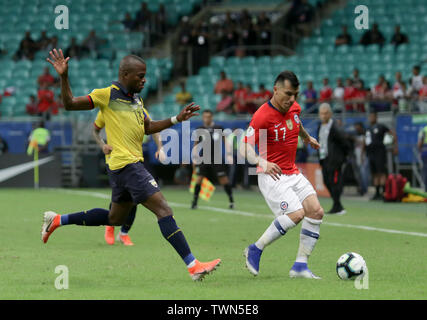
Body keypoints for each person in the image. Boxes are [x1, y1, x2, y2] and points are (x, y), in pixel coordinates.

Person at [43, 48, 221, 281]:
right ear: (125, 74)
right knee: (164, 210)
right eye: (140, 76)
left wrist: (177, 118)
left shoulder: (136, 99)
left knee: (115, 218)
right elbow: (69, 104)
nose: (144, 80)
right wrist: (64, 76)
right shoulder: (107, 94)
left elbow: (148, 127)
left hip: (123, 167)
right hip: (127, 165)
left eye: (145, 75)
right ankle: (193, 266)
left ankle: (57, 219)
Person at [241, 70, 324, 279]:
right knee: (296, 214)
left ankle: (300, 266)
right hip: (271, 175)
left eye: (295, 94)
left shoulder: (294, 107)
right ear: (275, 90)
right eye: (288, 94)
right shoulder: (262, 115)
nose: (292, 99)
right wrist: (262, 161)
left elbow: (297, 122)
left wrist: (306, 137)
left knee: (315, 211)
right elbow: (244, 147)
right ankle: (256, 248)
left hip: (292, 171)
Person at [93, 110, 165, 246]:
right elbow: (95, 131)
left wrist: (160, 147)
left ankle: (123, 233)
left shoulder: (138, 108)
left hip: (135, 161)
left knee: (134, 199)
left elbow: (154, 128)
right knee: (121, 198)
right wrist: (102, 145)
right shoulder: (106, 108)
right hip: (115, 161)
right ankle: (111, 226)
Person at [191, 110, 234, 209]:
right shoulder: (199, 129)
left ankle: (231, 201)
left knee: (223, 179)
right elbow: (196, 145)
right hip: (203, 158)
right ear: (203, 118)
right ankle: (194, 202)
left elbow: (225, 142)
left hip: (216, 158)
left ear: (212, 117)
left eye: (208, 117)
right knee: (199, 179)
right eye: (205, 117)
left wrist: (228, 154)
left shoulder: (218, 128)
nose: (206, 119)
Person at [317, 103, 349, 214]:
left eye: (326, 113)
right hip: (324, 158)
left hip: (334, 160)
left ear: (330, 114)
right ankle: (338, 205)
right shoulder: (320, 126)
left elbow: (344, 141)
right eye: (321, 113)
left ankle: (337, 206)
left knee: (335, 182)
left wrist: (343, 156)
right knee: (326, 181)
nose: (323, 116)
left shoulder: (335, 126)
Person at [365, 112, 397, 200]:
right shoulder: (368, 128)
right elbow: (365, 141)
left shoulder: (381, 126)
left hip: (379, 153)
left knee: (381, 172)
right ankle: (377, 192)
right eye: (370, 116)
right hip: (370, 153)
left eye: (372, 116)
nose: (371, 118)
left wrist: (394, 146)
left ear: (376, 117)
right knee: (374, 174)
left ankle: (384, 192)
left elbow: (393, 134)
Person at [417, 124, 427, 191]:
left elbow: (420, 143)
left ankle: (426, 189)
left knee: (426, 171)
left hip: (425, 153)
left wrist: (420, 151)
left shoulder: (424, 129)